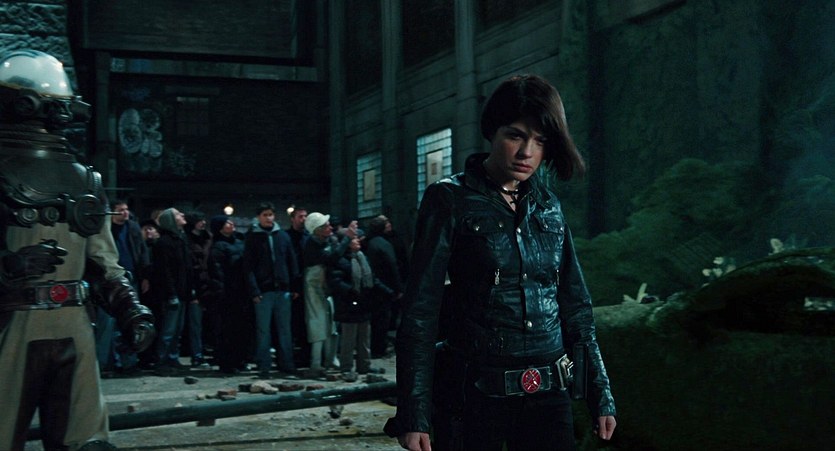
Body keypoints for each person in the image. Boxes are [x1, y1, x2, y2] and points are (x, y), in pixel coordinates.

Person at [384, 74, 617, 450]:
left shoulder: (548, 206)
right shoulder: (450, 199)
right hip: (476, 395)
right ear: (493, 131)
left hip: (549, 393)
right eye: (515, 135)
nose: (527, 152)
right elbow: (420, 312)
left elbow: (575, 306)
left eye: (540, 141)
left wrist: (599, 393)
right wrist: (413, 413)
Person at [0, 49, 155, 449]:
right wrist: (10, 266)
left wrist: (130, 309)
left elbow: (103, 263)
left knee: (85, 440)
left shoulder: (84, 181)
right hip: (12, 322)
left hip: (72, 324)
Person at [94, 199, 152, 376]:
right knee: (107, 324)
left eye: (126, 209)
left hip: (130, 278)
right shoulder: (105, 229)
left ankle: (129, 363)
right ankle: (105, 363)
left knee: (131, 320)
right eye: (121, 210)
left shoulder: (132, 228)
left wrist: (144, 276)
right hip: (109, 281)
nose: (125, 213)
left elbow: (141, 251)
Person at [243, 202, 299, 379]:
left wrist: (294, 286)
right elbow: (248, 267)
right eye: (265, 215)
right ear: (258, 217)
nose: (268, 218)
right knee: (263, 331)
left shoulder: (282, 236)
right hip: (263, 291)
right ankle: (264, 365)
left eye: (270, 214)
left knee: (285, 330)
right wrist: (254, 290)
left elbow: (291, 261)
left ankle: (287, 364)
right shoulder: (253, 238)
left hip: (283, 290)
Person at [328, 231, 394, 380]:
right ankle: (346, 368)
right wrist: (351, 291)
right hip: (349, 305)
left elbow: (372, 279)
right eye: (354, 239)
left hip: (364, 303)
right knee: (349, 339)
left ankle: (364, 365)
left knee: (364, 338)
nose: (358, 241)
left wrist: (388, 292)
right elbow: (336, 282)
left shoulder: (362, 257)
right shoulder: (341, 261)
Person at [301, 212, 353, 378]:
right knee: (318, 323)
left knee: (331, 324)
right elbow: (331, 258)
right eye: (326, 226)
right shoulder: (311, 245)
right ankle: (316, 363)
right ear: (317, 229)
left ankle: (331, 359)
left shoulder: (327, 241)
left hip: (326, 284)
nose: (330, 227)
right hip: (314, 285)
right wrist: (347, 239)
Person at [152, 207, 195, 374]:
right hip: (172, 293)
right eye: (177, 214)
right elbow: (165, 271)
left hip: (181, 291)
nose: (182, 215)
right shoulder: (164, 243)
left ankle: (172, 358)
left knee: (177, 329)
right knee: (169, 330)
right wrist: (171, 294)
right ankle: (162, 361)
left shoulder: (181, 239)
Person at [208, 214, 251, 374]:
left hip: (241, 291)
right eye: (227, 223)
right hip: (228, 293)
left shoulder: (239, 242)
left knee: (241, 328)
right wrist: (221, 291)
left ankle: (240, 360)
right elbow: (217, 271)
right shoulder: (218, 247)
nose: (231, 224)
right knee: (227, 329)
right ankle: (227, 362)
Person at [365, 215, 404, 358]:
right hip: (385, 287)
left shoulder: (370, 243)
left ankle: (376, 347)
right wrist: (398, 288)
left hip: (375, 287)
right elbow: (392, 266)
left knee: (377, 319)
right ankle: (379, 349)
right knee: (383, 320)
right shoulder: (384, 244)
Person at [184, 211, 212, 368]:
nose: (203, 223)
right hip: (196, 285)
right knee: (196, 323)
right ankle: (197, 355)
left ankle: (204, 352)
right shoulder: (187, 240)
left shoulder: (207, 238)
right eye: (199, 220)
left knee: (206, 322)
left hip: (208, 284)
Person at [285, 206, 310, 368]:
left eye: (305, 216)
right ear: (293, 219)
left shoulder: (308, 237)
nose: (303, 220)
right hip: (293, 284)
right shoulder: (287, 237)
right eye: (300, 217)